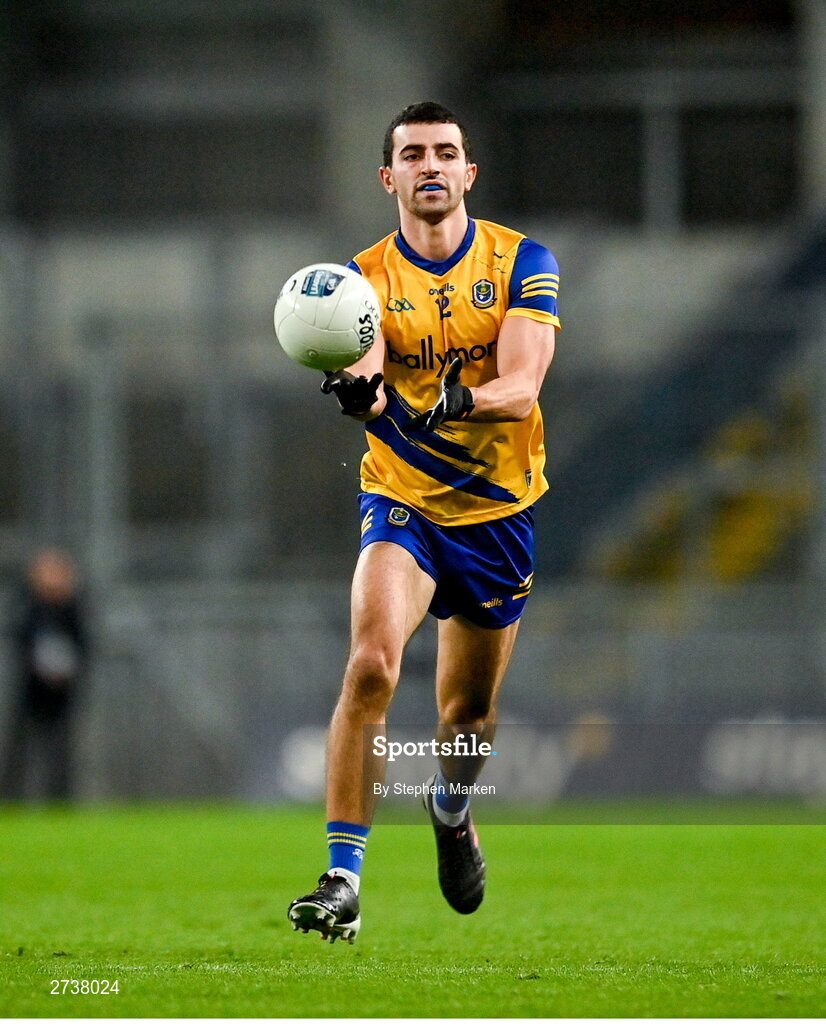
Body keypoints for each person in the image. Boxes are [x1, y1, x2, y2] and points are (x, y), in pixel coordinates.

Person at [288, 101, 560, 943]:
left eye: (447, 152)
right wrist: (362, 392)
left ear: (468, 172)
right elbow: (364, 364)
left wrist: (454, 398)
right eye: (414, 155)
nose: (431, 165)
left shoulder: (523, 261)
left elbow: (522, 387)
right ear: (389, 177)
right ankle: (343, 879)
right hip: (401, 504)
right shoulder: (361, 278)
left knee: (466, 719)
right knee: (370, 665)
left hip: (496, 515)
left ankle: (449, 809)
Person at [1, 548, 88, 801]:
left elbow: (84, 644)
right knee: (19, 750)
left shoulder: (72, 608)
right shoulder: (29, 606)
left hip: (62, 692)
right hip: (31, 690)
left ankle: (60, 802)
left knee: (60, 751)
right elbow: (20, 636)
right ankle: (9, 800)